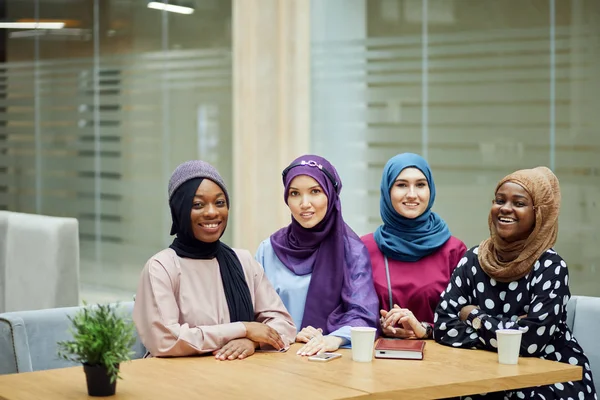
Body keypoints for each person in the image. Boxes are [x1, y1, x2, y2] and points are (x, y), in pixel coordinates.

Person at [434, 166, 596, 399]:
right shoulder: (474, 259)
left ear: (539, 213)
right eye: (500, 200)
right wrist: (510, 328)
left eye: (518, 203)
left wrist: (474, 317)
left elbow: (530, 342)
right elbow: (442, 325)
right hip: (484, 373)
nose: (506, 209)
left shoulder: (550, 266)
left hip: (550, 375)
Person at [133, 160, 296, 361]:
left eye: (219, 202)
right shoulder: (161, 267)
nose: (212, 212)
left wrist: (252, 341)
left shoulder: (243, 261)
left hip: (239, 377)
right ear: (179, 211)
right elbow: (165, 340)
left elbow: (284, 325)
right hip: (176, 382)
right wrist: (243, 329)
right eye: (198, 204)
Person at [255, 155, 379, 356]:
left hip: (332, 365)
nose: (305, 203)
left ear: (331, 195)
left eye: (315, 191)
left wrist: (333, 339)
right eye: (295, 193)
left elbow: (363, 314)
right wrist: (289, 334)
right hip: (277, 363)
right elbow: (253, 314)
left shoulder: (352, 251)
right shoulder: (268, 250)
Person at [361, 153, 466, 340]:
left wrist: (425, 329)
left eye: (420, 185)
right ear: (387, 191)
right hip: (380, 358)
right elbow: (352, 312)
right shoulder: (365, 249)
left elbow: (466, 317)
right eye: (401, 185)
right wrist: (379, 326)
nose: (411, 194)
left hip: (442, 360)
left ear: (430, 189)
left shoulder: (454, 251)